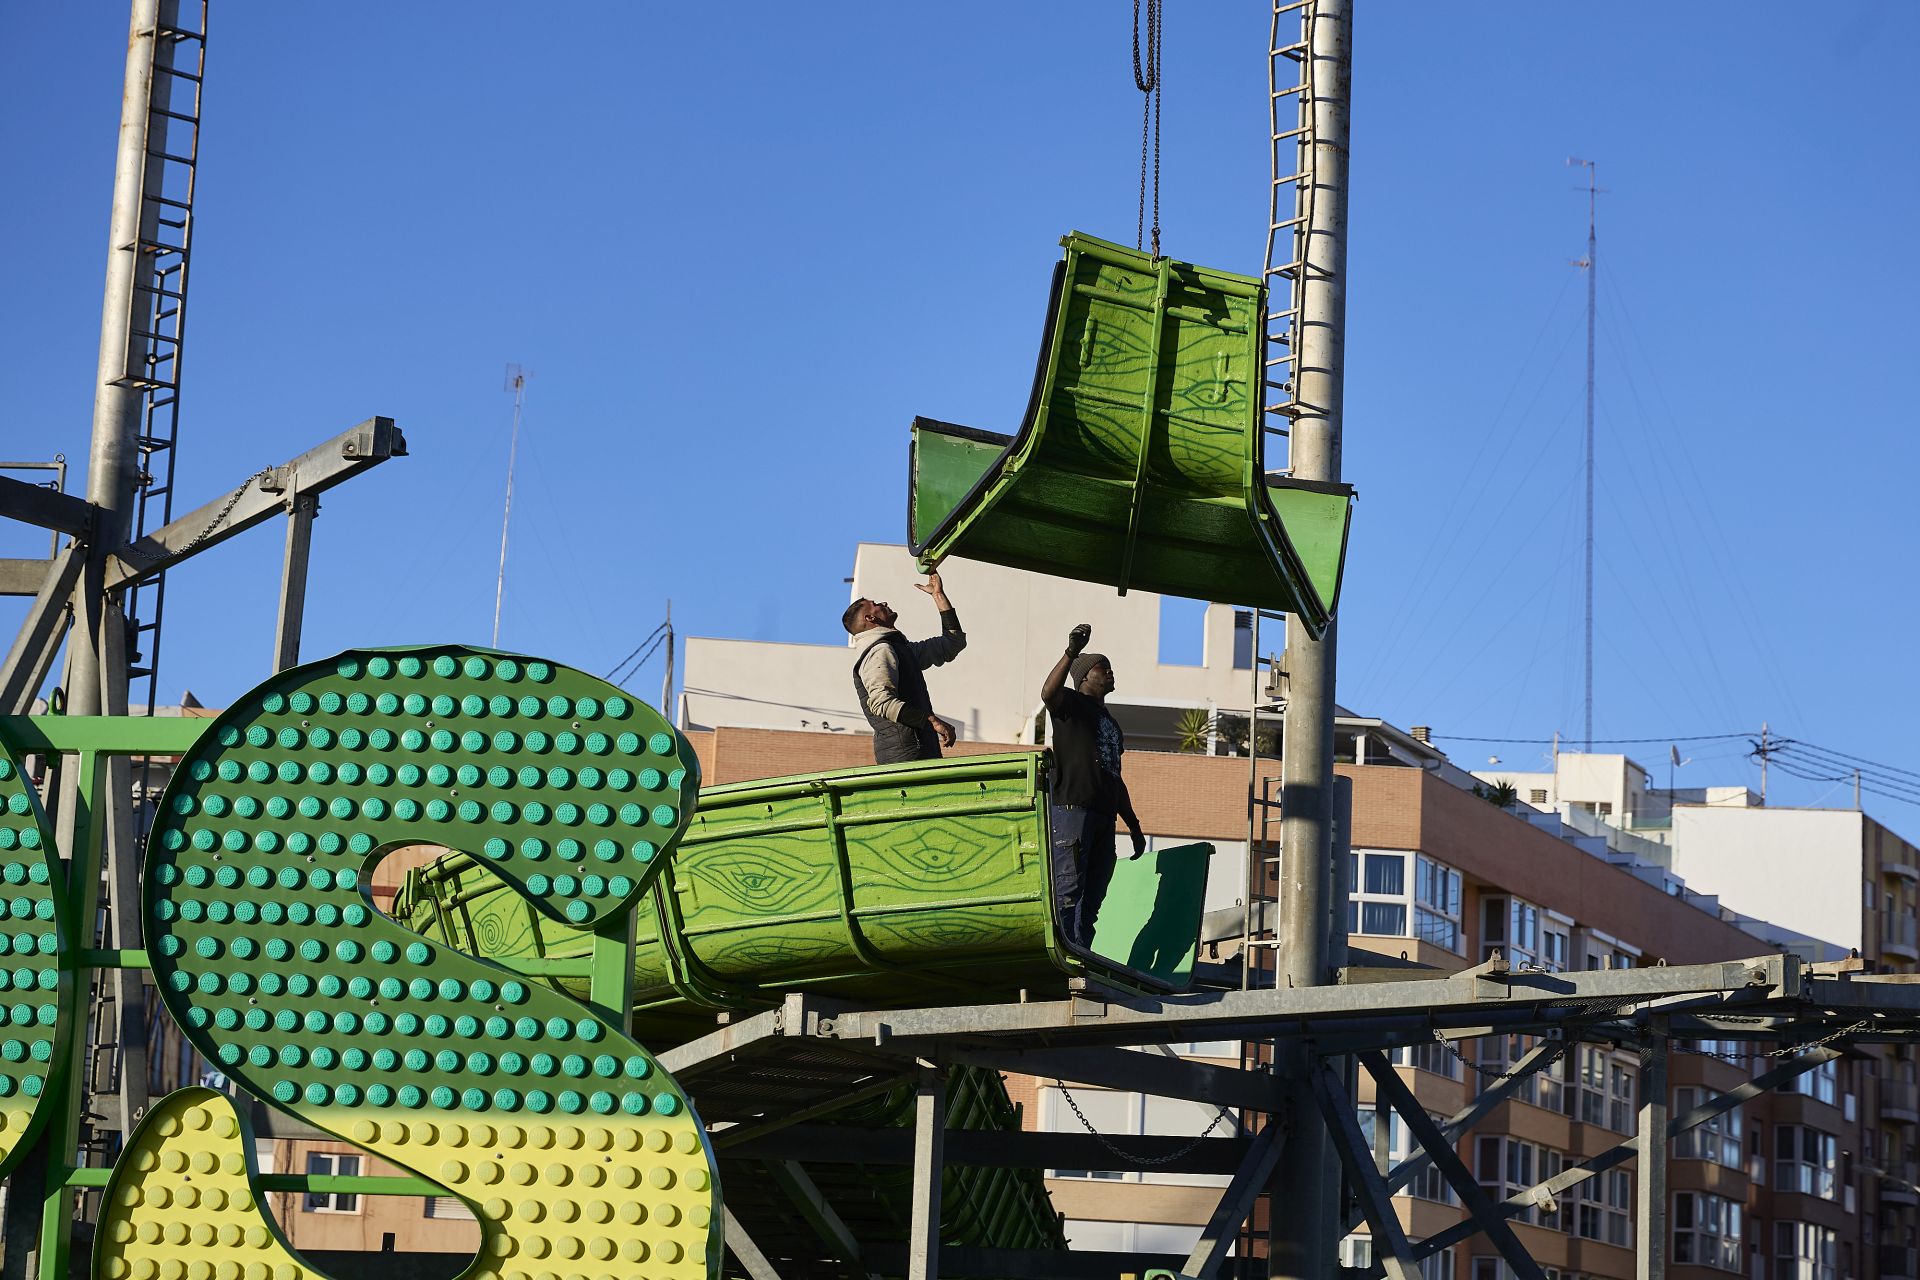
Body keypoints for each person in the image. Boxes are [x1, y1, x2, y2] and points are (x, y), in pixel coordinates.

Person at [1041, 623, 1145, 948]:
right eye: (1104, 667)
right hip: (1073, 812)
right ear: (1085, 675)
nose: (1111, 672)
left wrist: (1134, 826)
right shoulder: (1069, 704)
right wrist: (1071, 651)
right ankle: (1063, 961)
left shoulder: (1110, 722)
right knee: (1068, 893)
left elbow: (1115, 775)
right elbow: (1047, 693)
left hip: (1103, 818)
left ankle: (1082, 959)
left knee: (1092, 902)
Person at [843, 571, 967, 764]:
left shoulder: (898, 649)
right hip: (905, 759)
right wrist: (932, 721)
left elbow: (952, 643)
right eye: (876, 605)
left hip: (916, 754)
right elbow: (880, 703)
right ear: (870, 618)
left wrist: (938, 596)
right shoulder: (880, 651)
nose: (883, 603)